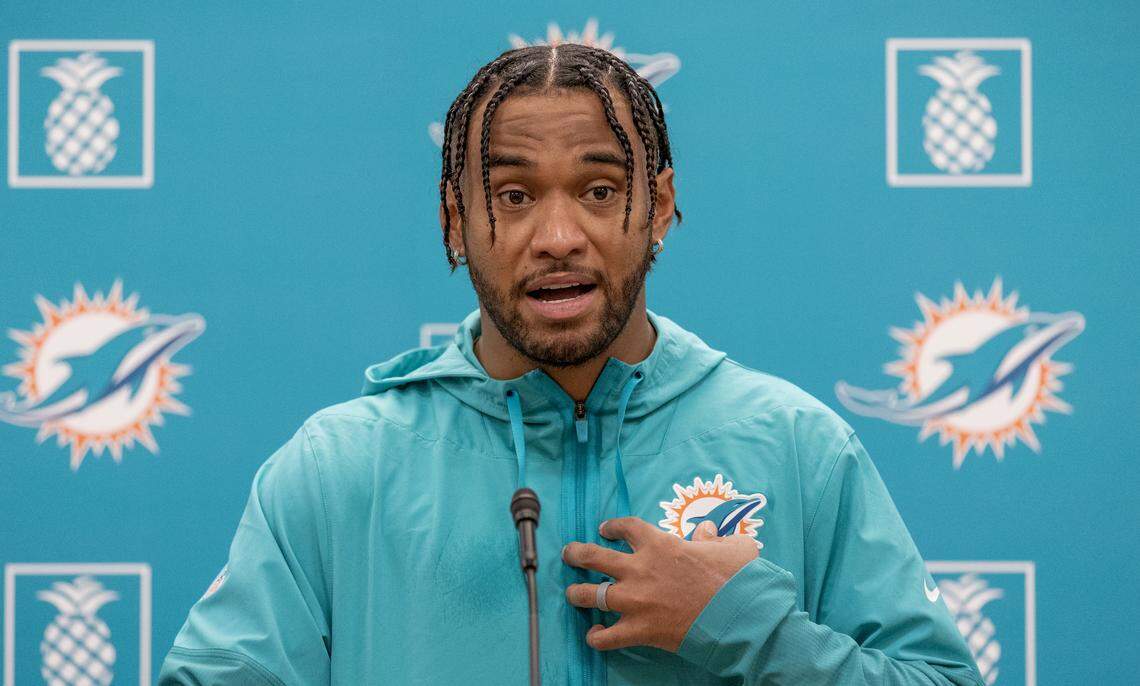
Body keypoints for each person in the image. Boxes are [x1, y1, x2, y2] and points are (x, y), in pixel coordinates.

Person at [158, 43, 984, 685]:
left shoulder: (799, 446)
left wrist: (742, 625)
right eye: (514, 197)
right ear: (454, 221)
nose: (558, 238)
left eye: (599, 191)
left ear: (659, 207)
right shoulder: (340, 469)